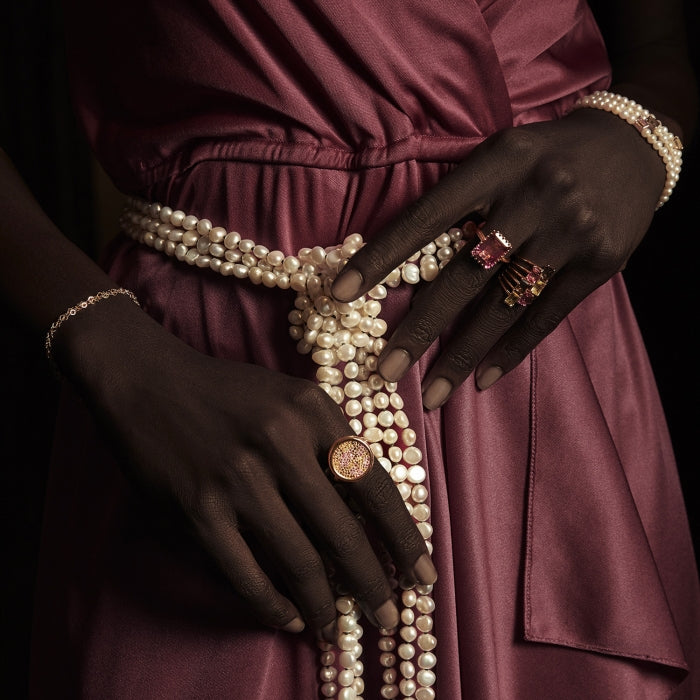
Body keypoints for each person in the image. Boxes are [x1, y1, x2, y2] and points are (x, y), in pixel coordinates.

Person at [1, 0, 698, 697]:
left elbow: (660, 37)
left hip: (535, 349)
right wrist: (113, 355)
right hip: (198, 391)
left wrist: (644, 132)